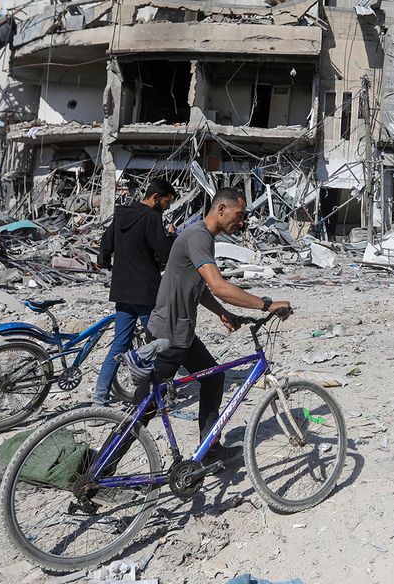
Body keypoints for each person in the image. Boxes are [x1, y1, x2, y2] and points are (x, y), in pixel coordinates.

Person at [138, 187, 291, 463]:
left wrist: (222, 313)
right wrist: (266, 304)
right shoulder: (198, 237)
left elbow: (202, 287)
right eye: (239, 214)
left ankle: (208, 450)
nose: (241, 222)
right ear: (221, 209)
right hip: (169, 336)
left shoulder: (202, 236)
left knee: (213, 377)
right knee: (142, 412)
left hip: (180, 333)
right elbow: (218, 286)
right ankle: (97, 478)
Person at [93, 178, 177, 406]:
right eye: (167, 202)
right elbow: (164, 255)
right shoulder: (151, 219)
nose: (167, 207)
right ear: (156, 198)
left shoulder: (122, 215)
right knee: (158, 344)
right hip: (146, 293)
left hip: (122, 291)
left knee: (119, 345)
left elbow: (106, 241)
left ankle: (98, 400)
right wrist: (171, 236)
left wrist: (105, 258)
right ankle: (155, 397)